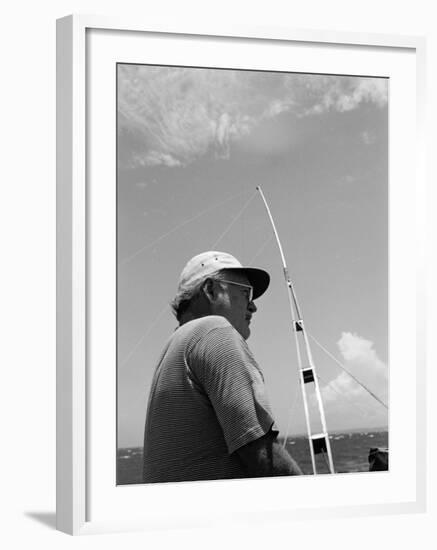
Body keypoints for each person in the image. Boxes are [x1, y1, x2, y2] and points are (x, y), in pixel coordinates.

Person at [142, 251, 302, 483]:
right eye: (245, 293)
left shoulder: (174, 348)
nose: (253, 306)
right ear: (210, 290)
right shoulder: (214, 331)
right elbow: (262, 456)